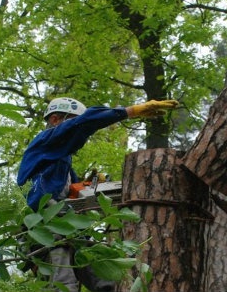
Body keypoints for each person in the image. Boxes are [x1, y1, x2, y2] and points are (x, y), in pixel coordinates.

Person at [16, 97, 179, 292]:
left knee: (107, 280)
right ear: (55, 120)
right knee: (63, 285)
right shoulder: (43, 142)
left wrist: (89, 185)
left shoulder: (59, 162)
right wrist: (130, 111)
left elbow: (71, 195)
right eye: (72, 124)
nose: (79, 135)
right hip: (45, 229)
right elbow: (85, 122)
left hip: (69, 229)